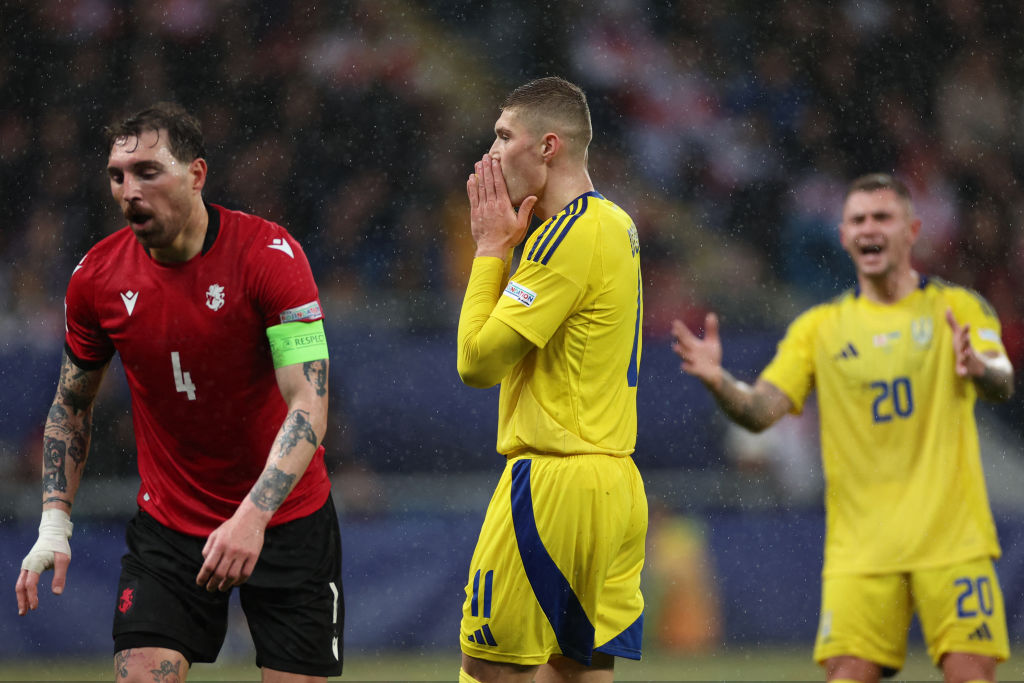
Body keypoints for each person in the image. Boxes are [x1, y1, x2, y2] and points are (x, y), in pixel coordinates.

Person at [14, 103, 343, 683]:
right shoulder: (96, 279)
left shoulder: (270, 256)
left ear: (196, 174)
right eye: (117, 176)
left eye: (148, 172)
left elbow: (309, 404)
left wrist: (252, 517)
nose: (129, 191)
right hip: (170, 530)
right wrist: (54, 524)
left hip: (287, 519)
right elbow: (71, 404)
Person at [671, 173, 1014, 683]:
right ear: (844, 236)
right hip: (861, 545)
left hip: (951, 537)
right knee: (849, 673)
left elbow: (1002, 379)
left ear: (912, 230)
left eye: (882, 217)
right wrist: (721, 381)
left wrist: (981, 368)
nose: (869, 228)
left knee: (970, 673)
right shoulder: (819, 328)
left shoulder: (957, 308)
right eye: (858, 220)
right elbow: (760, 410)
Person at [455, 76, 646, 683]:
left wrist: (490, 249)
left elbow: (476, 363)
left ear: (548, 146)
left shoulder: (567, 235)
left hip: (555, 481)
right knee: (574, 671)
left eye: (503, 135)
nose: (491, 153)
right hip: (615, 483)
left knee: (487, 670)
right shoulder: (617, 223)